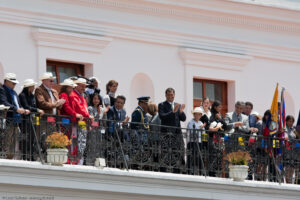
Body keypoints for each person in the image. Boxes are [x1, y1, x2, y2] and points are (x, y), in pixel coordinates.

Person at [0, 73, 30, 159]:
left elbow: (18, 104)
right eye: (13, 83)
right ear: (6, 82)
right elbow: (4, 102)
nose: (15, 84)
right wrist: (16, 109)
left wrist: (23, 109)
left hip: (16, 120)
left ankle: (10, 158)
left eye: (15, 83)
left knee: (13, 141)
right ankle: (6, 158)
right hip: (8, 118)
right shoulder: (2, 90)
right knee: (8, 140)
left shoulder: (14, 92)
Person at [158, 88, 186, 172]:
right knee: (165, 153)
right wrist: (172, 112)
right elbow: (161, 116)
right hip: (166, 134)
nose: (171, 96)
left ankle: (177, 170)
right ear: (166, 95)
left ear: (174, 95)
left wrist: (180, 112)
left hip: (177, 134)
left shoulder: (178, 105)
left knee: (177, 152)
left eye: (172, 95)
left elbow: (183, 119)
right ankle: (164, 170)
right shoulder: (162, 105)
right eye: (169, 95)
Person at [19, 79, 44, 160]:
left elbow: (34, 106)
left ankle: (31, 156)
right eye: (32, 86)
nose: (33, 87)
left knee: (32, 138)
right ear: (29, 87)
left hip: (32, 119)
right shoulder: (22, 95)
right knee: (25, 138)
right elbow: (26, 106)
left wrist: (36, 110)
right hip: (24, 120)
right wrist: (37, 110)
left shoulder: (32, 96)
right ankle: (25, 155)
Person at [69, 78, 91, 165]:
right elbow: (80, 109)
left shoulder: (81, 96)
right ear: (76, 86)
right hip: (76, 123)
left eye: (84, 86)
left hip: (83, 123)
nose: (83, 88)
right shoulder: (73, 95)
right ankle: (74, 161)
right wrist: (88, 116)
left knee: (82, 143)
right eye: (82, 86)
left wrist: (88, 118)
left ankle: (79, 161)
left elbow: (85, 109)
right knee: (75, 143)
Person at [187, 107, 205, 175]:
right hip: (192, 142)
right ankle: (190, 171)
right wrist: (199, 128)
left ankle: (200, 172)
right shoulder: (191, 122)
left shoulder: (201, 122)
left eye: (199, 114)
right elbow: (192, 132)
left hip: (199, 142)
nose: (197, 116)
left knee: (199, 157)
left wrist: (202, 128)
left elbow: (203, 133)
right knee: (191, 157)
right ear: (194, 115)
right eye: (196, 114)